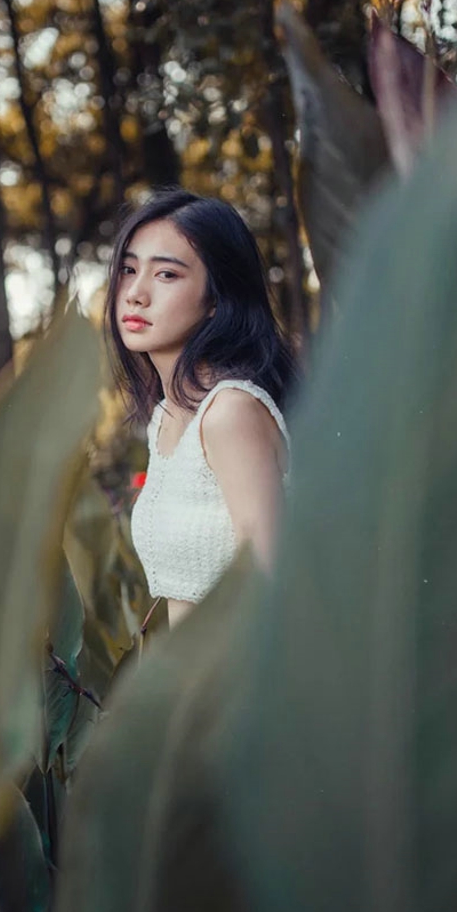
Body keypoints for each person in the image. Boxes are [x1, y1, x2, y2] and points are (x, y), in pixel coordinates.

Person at [105, 189, 297, 628]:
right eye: (129, 270)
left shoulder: (231, 413)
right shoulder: (166, 417)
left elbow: (274, 587)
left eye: (167, 275)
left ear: (216, 299)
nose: (135, 293)